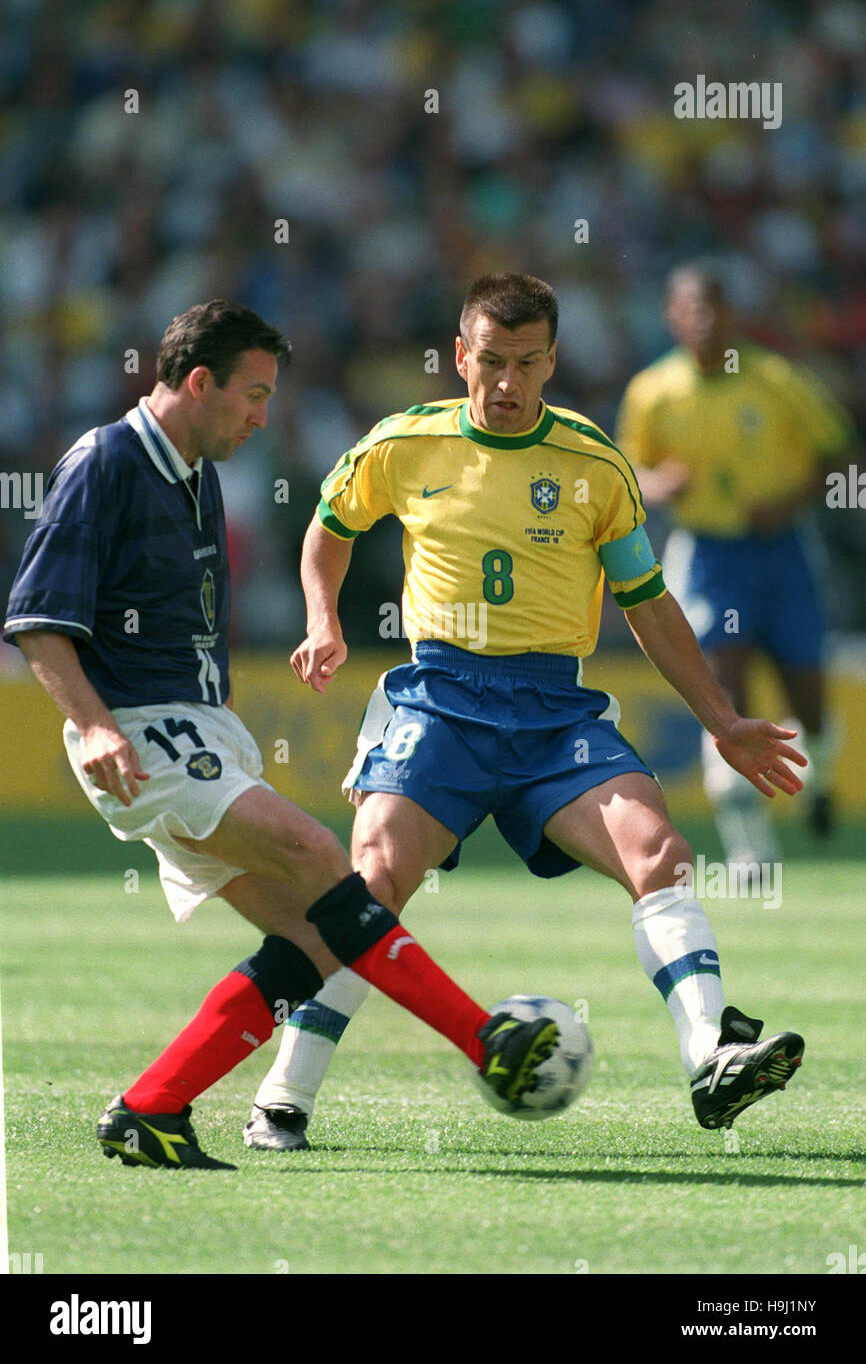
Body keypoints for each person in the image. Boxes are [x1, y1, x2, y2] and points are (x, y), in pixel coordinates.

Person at [244, 272, 806, 1154]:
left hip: (555, 711)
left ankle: (710, 1058)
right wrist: (322, 621)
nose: (505, 383)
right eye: (490, 362)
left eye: (526, 364)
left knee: (661, 853)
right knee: (375, 880)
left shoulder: (592, 462)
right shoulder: (404, 443)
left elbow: (649, 602)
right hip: (441, 697)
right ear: (460, 355)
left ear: (553, 362)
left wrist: (723, 721)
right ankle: (284, 1093)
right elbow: (328, 527)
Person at [3, 299, 565, 1170]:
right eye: (254, 394)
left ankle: (152, 1107)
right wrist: (94, 727)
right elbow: (39, 622)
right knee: (320, 858)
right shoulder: (105, 462)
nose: (263, 415)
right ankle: (485, 1039)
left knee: (318, 935)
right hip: (148, 737)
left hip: (200, 733)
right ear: (199, 382)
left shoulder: (195, 469)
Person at [616, 263, 854, 866]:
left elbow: (839, 453)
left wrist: (794, 499)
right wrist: (657, 484)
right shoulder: (653, 392)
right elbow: (624, 476)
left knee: (809, 696)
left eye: (714, 307)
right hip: (709, 554)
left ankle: (818, 780)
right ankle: (750, 852)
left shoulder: (777, 379)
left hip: (784, 552)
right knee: (727, 694)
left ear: (731, 313)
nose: (703, 320)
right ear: (671, 315)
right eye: (690, 308)